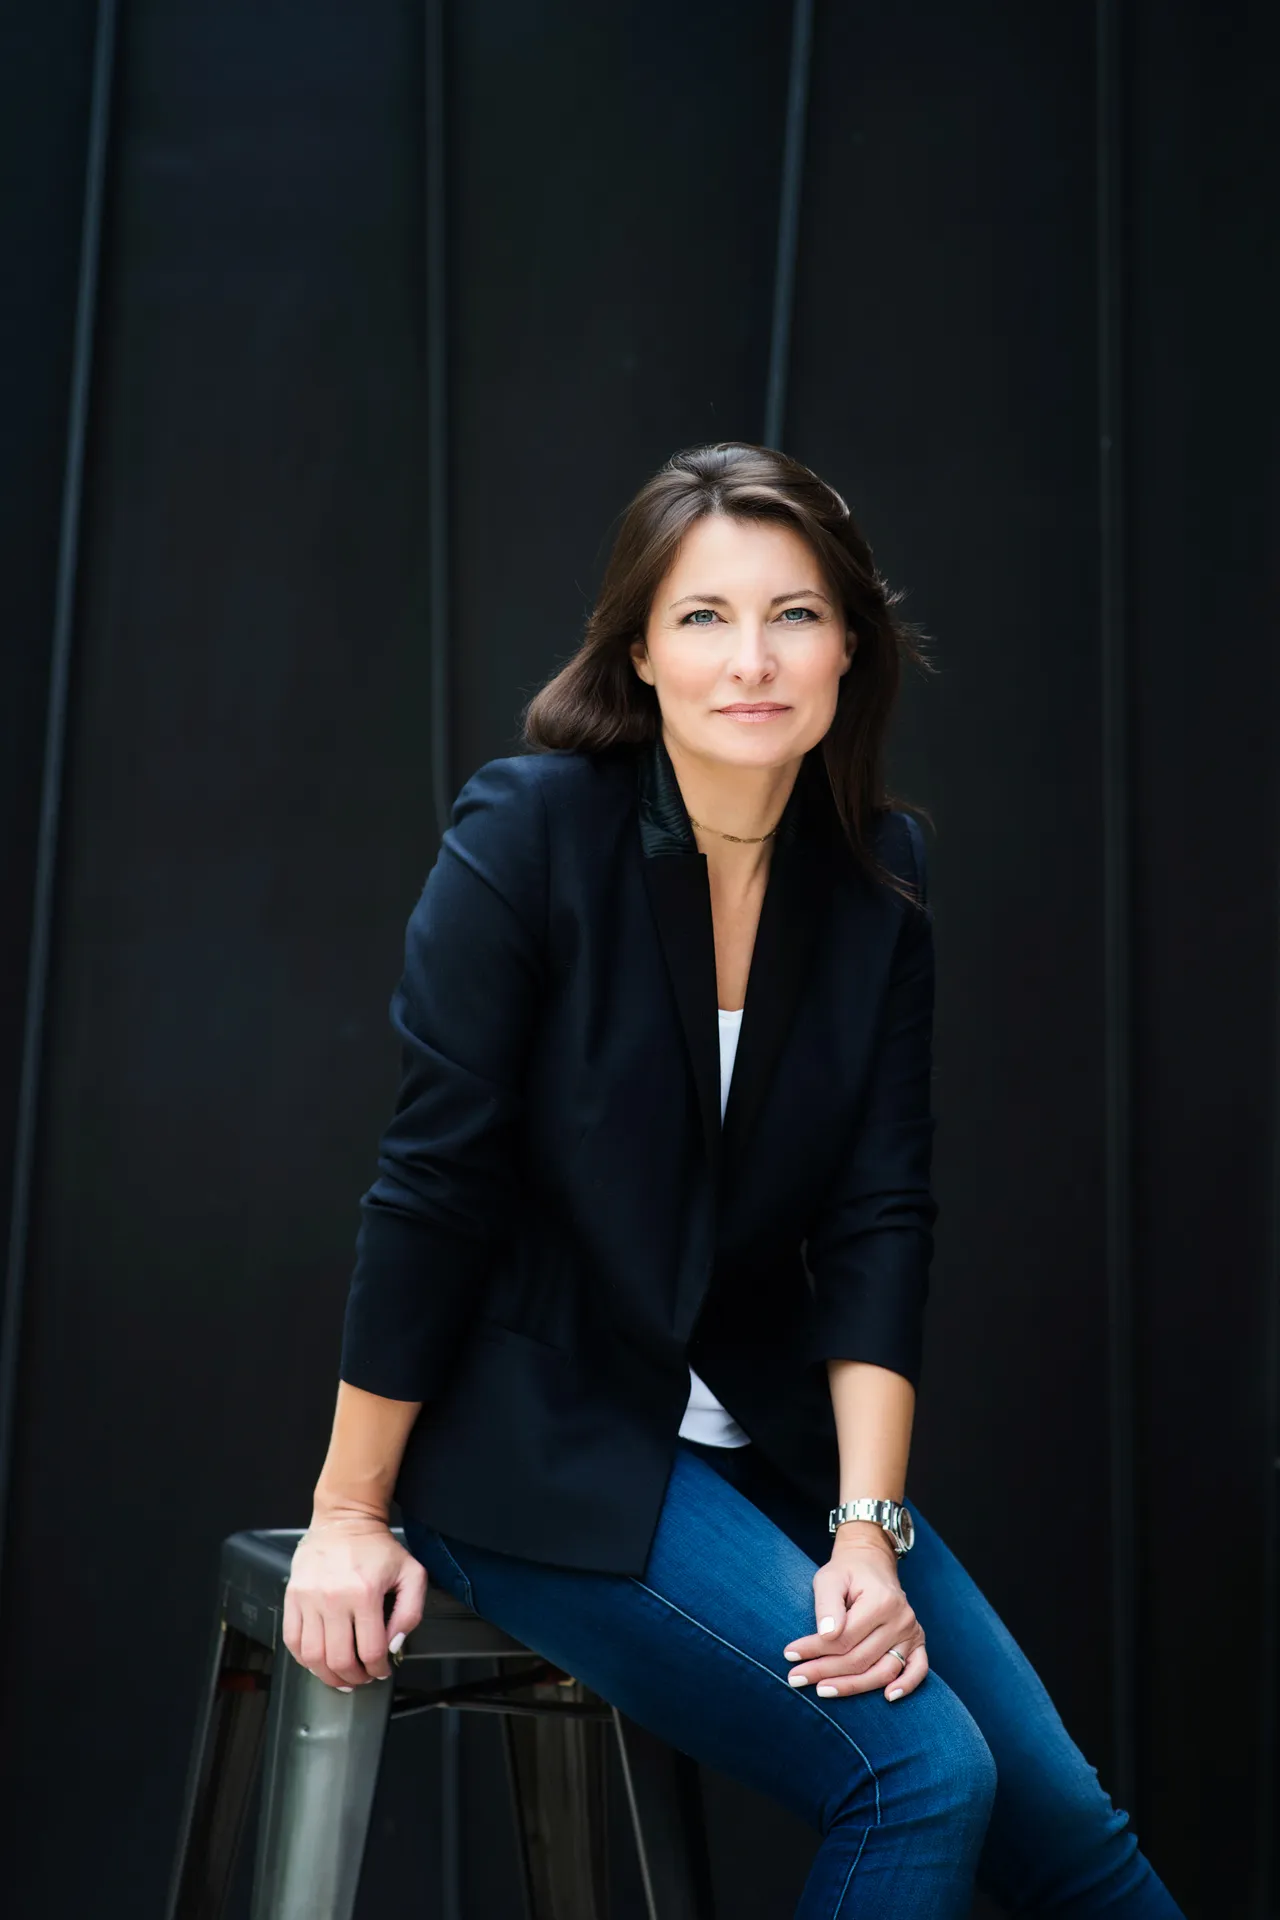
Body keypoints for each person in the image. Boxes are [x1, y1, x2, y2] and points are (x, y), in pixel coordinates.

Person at [283, 443, 1185, 1916]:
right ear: (638, 652)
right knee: (923, 1773)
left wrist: (865, 1529)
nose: (750, 660)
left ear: (851, 645)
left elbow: (884, 1221)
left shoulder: (874, 881)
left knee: (1073, 1837)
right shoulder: (530, 835)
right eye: (703, 617)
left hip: (762, 1443)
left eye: (794, 615)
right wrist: (348, 1512)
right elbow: (431, 1187)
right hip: (537, 1431)